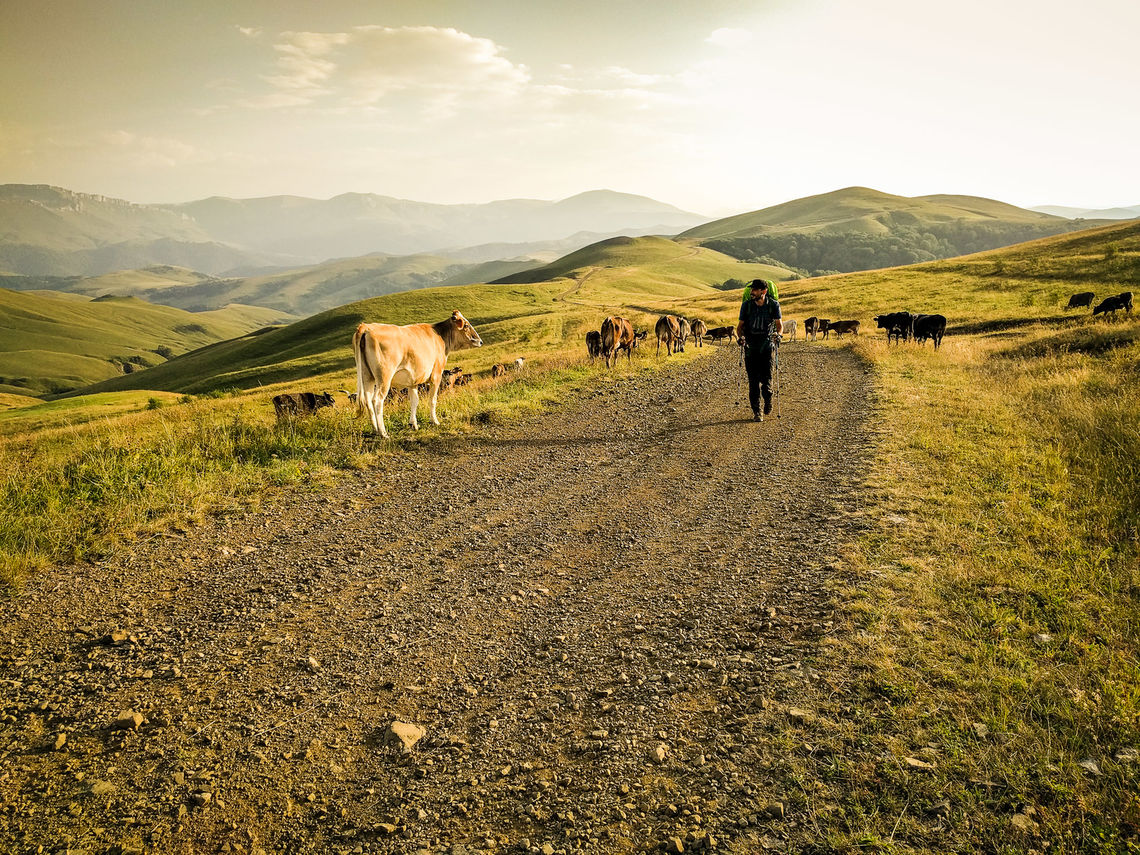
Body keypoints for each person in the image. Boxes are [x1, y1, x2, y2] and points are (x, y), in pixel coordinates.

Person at [736, 279, 782, 421]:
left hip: (767, 346)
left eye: (755, 290)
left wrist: (778, 335)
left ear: (764, 291)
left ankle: (768, 399)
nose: (752, 292)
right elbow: (740, 327)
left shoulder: (773, 305)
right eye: (751, 289)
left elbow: (779, 325)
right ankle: (757, 412)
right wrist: (741, 337)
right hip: (751, 346)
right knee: (753, 381)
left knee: (767, 380)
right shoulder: (746, 306)